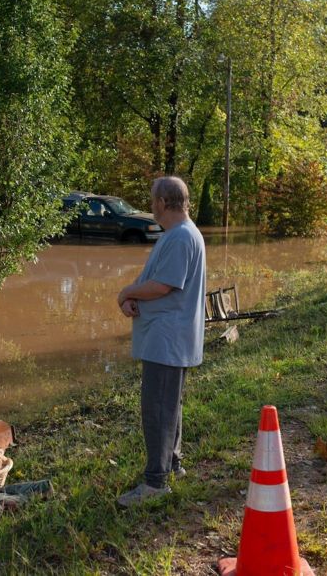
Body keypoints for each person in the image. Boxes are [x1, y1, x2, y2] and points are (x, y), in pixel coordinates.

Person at [116, 176, 206, 506]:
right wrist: (129, 299)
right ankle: (173, 463)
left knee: (157, 409)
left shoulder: (181, 237)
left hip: (168, 340)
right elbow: (152, 281)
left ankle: (155, 483)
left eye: (152, 199)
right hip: (166, 336)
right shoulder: (174, 236)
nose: (151, 204)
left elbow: (163, 285)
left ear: (162, 204)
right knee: (169, 405)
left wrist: (127, 292)